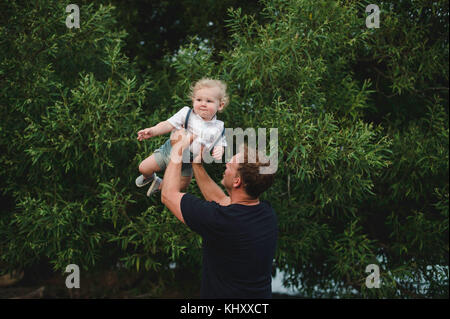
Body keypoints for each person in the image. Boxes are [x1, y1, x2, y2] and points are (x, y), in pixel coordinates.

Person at [161, 130, 278, 298]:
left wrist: (178, 149)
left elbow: (168, 195)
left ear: (237, 181)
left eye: (231, 165)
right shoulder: (265, 213)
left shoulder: (221, 221)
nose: (227, 163)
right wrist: (197, 165)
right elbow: (222, 200)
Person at [136, 78, 229, 196]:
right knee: (143, 168)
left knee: (180, 187)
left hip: (187, 161)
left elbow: (220, 142)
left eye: (209, 101)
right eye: (199, 99)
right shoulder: (187, 113)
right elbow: (168, 124)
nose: (203, 104)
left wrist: (219, 150)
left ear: (220, 105)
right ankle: (149, 177)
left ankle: (160, 184)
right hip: (168, 151)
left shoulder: (218, 127)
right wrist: (153, 131)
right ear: (193, 100)